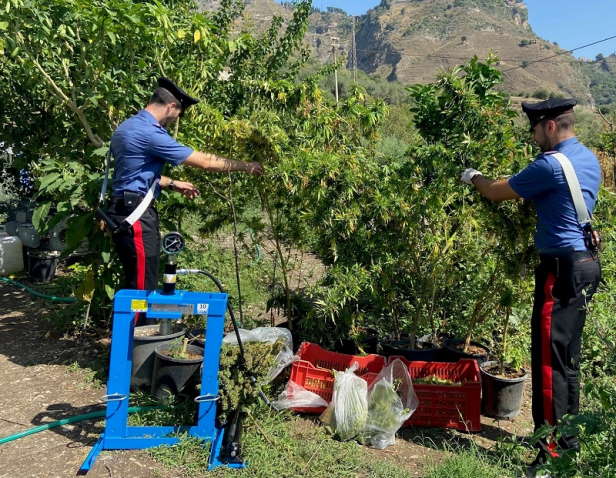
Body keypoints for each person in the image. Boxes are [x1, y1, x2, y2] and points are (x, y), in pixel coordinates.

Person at [460, 98, 602, 478]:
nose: (533, 135)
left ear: (550, 126)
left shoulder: (551, 165)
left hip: (560, 270)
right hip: (585, 264)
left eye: (535, 128)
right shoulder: (588, 159)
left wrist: (472, 176)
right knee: (566, 360)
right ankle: (565, 442)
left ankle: (551, 457)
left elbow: (496, 191)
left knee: (548, 365)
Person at [109, 77, 262, 307]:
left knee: (136, 278)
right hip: (136, 215)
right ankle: (137, 329)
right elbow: (205, 162)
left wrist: (172, 183)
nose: (175, 120)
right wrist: (246, 166)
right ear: (171, 106)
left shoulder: (128, 126)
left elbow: (134, 174)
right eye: (178, 114)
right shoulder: (150, 133)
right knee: (141, 288)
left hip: (123, 209)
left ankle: (133, 326)